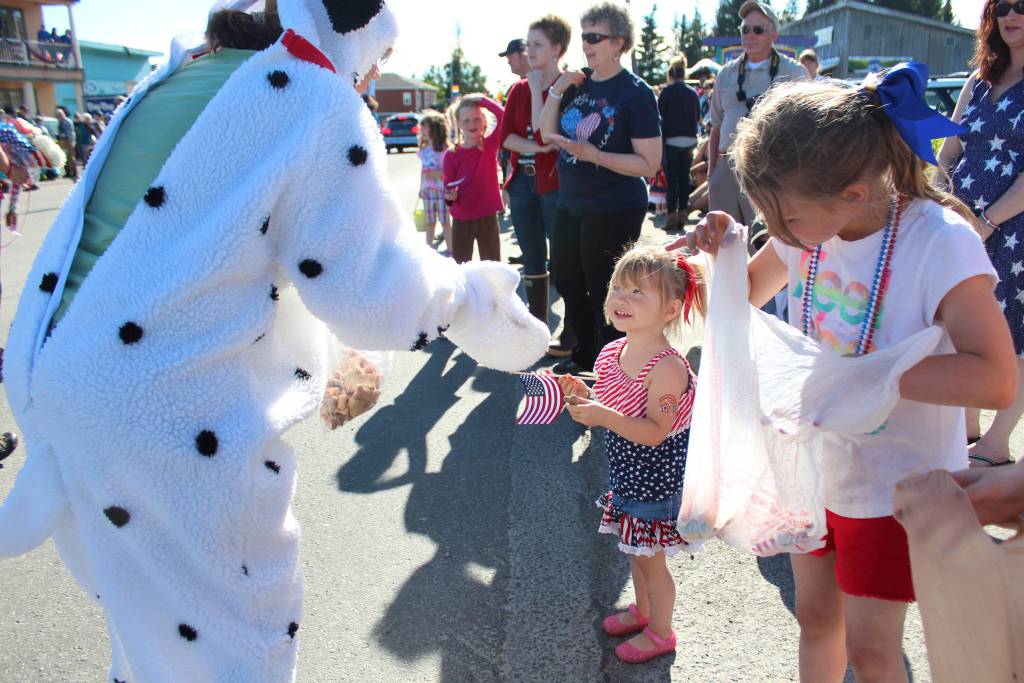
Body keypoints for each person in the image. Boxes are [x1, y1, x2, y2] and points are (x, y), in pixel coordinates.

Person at [0, 2, 549, 680]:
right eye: (373, 68)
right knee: (240, 634)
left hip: (56, 381)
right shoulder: (311, 97)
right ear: (348, 36)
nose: (369, 84)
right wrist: (475, 301)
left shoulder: (184, 73)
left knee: (153, 626)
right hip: (158, 408)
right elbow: (372, 289)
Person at [679, 67, 1017, 683]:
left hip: (892, 485)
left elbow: (995, 380)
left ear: (854, 195)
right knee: (815, 620)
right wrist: (722, 247)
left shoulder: (939, 242)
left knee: (872, 651)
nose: (778, 237)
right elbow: (745, 293)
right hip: (811, 469)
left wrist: (864, 379)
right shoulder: (805, 229)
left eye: (786, 223)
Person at [559, 245, 705, 664]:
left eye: (638, 292)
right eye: (617, 288)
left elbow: (657, 432)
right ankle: (643, 611)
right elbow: (608, 402)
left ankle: (661, 632)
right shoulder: (610, 352)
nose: (621, 299)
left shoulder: (667, 368)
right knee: (634, 553)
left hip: (655, 482)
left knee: (652, 563)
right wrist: (584, 396)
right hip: (626, 475)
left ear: (671, 309)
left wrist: (603, 415)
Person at [539, 1, 662, 375]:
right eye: (584, 36)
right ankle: (587, 353)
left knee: (604, 289)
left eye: (595, 37)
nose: (586, 44)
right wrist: (557, 89)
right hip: (571, 201)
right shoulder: (577, 83)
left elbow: (649, 164)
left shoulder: (635, 93)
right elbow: (547, 134)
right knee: (566, 277)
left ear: (618, 42)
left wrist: (595, 154)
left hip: (614, 205)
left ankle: (610, 370)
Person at [937, 0, 1024, 467]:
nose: (1012, 16)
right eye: (1003, 6)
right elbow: (949, 149)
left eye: (1022, 7)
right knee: (961, 326)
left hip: (1013, 233)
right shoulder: (978, 80)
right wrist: (939, 204)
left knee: (1015, 335)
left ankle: (997, 441)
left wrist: (988, 221)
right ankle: (967, 428)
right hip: (961, 225)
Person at [708, 0, 805, 227]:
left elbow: (805, 129)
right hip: (727, 165)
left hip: (771, 169)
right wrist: (713, 173)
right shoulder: (726, 74)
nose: (750, 35)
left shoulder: (793, 72)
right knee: (721, 239)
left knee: (765, 238)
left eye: (758, 29)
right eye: (745, 29)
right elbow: (716, 125)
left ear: (774, 35)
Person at [499, 15, 569, 326]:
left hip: (555, 184)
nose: (530, 51)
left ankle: (572, 328)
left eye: (537, 45)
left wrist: (540, 144)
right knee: (531, 256)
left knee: (564, 255)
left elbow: (546, 135)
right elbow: (507, 138)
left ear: (556, 48)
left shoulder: (570, 85)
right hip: (521, 185)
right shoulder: (518, 89)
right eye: (528, 45)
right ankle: (536, 323)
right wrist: (539, 149)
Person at [443, 94, 505, 264]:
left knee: (493, 267)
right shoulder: (451, 155)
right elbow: (448, 189)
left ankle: (492, 293)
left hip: (488, 216)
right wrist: (450, 197)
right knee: (461, 268)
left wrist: (483, 101)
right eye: (467, 120)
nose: (472, 124)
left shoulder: (490, 145)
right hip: (462, 219)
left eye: (477, 119)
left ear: (484, 121)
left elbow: (503, 116)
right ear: (458, 124)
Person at [658, 55, 701, 231]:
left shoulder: (666, 93)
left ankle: (671, 216)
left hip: (671, 141)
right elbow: (697, 116)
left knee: (672, 180)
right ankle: (683, 212)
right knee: (684, 179)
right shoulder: (692, 93)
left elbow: (659, 116)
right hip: (690, 140)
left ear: (670, 74)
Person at [416, 111, 451, 253]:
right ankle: (428, 251)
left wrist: (434, 173)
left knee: (445, 222)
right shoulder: (424, 150)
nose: (422, 130)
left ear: (435, 129)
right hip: (428, 191)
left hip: (442, 191)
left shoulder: (444, 150)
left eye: (425, 127)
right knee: (429, 222)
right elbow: (422, 171)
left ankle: (451, 251)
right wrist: (421, 187)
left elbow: (448, 173)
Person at [54, 106, 76, 180]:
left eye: (58, 115)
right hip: (62, 140)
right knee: (64, 157)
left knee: (70, 157)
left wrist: (71, 142)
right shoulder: (60, 122)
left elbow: (70, 133)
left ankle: (74, 172)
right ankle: (67, 172)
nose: (58, 117)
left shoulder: (67, 121)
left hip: (68, 141)